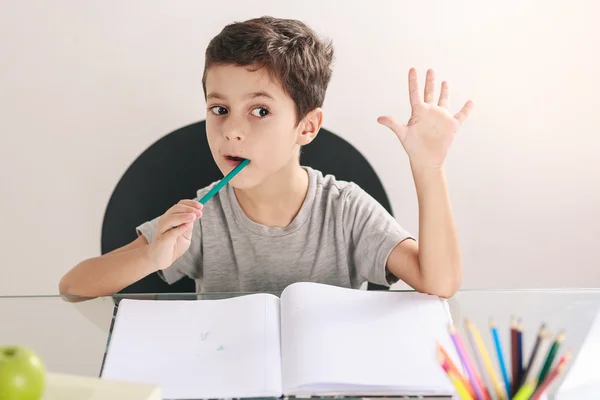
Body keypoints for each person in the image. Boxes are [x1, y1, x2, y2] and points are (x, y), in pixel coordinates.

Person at [59, 16, 473, 299]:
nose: (231, 130)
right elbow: (73, 286)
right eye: (219, 109)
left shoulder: (345, 210)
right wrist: (151, 257)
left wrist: (429, 168)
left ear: (307, 127)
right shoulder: (202, 217)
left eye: (259, 111)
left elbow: (439, 284)